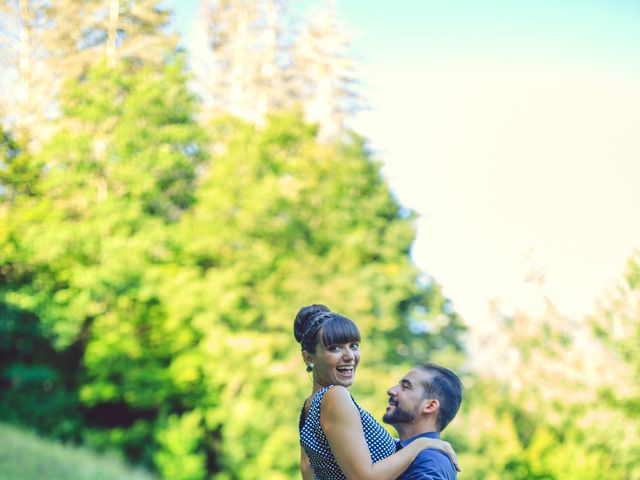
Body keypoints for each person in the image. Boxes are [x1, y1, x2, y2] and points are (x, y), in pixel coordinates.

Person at [294, 304, 460, 480]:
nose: (350, 355)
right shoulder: (336, 396)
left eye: (354, 345)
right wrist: (422, 443)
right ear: (308, 357)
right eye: (335, 348)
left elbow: (308, 472)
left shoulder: (310, 406)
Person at [383, 364, 464, 480]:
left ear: (430, 406)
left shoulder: (431, 462)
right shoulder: (399, 450)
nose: (391, 391)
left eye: (405, 387)